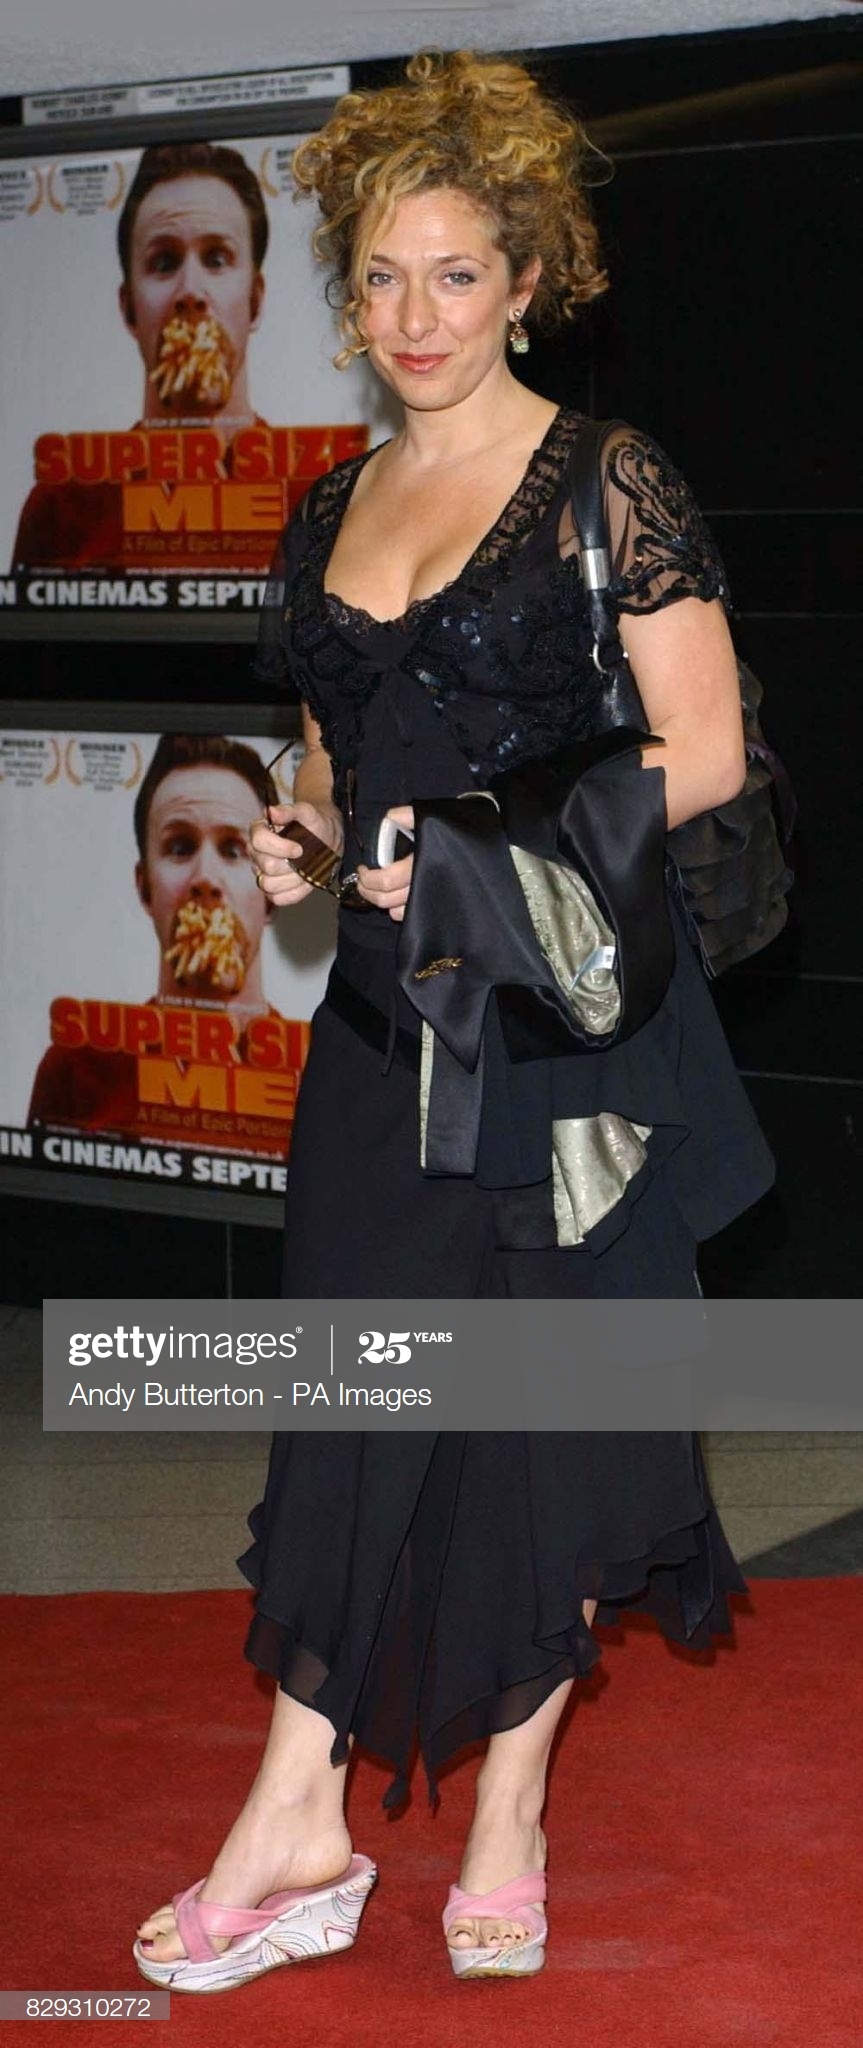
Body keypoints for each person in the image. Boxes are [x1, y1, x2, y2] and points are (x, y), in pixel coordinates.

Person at [134, 51, 775, 1990]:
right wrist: (306, 842)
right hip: (374, 1037)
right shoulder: (329, 499)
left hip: (558, 1033)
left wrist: (474, 850)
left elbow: (704, 750)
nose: (415, 317)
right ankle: (299, 1820)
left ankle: (505, 1813)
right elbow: (337, 764)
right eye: (383, 278)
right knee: (348, 1412)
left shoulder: (602, 476)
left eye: (455, 275)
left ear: (524, 281)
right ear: (346, 293)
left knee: (536, 1430)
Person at [12, 144, 272, 571]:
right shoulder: (60, 507)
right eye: (164, 262)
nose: (190, 292)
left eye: (216, 258)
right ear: (129, 308)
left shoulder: (319, 499)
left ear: (255, 302)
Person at [28, 734, 291, 1148]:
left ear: (273, 893)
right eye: (180, 847)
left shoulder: (319, 1077)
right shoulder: (74, 1072)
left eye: (234, 849)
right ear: (144, 887)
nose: (205, 878)